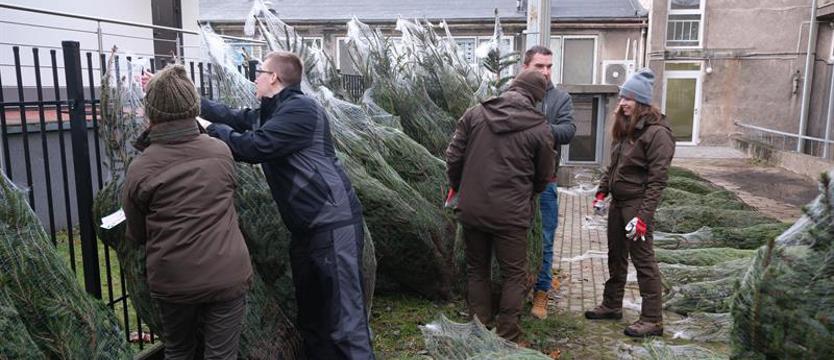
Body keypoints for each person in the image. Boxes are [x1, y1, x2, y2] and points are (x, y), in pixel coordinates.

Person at [198, 51, 373, 359]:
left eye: (259, 72)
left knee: (346, 324)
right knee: (314, 320)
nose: (255, 77)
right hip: (306, 231)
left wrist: (210, 129)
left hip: (332, 225)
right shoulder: (274, 111)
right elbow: (234, 116)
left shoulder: (301, 110)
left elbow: (253, 147)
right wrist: (192, 102)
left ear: (274, 77)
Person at [124, 64, 253, 360]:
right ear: (193, 106)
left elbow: (137, 233)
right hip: (227, 273)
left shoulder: (142, 167)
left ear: (151, 111)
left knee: (179, 350)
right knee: (221, 356)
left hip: (174, 279)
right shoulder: (220, 151)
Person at [446, 69, 555, 343]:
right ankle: (507, 333)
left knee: (477, 269)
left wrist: (460, 187)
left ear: (513, 87)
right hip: (511, 213)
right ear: (535, 97)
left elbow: (453, 156)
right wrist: (529, 194)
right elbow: (545, 175)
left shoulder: (474, 114)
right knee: (514, 275)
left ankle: (479, 325)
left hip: (473, 209)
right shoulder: (539, 127)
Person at [584, 68, 674, 337]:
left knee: (644, 261)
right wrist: (602, 192)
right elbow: (614, 166)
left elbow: (658, 181)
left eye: (629, 99)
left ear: (642, 102)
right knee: (616, 256)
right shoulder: (627, 130)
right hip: (619, 204)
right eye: (622, 97)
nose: (622, 103)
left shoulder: (657, 134)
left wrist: (643, 218)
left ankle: (652, 319)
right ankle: (612, 305)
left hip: (637, 206)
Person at [521, 45, 576, 320]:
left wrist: (536, 128)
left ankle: (541, 293)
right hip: (514, 183)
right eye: (539, 66)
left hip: (546, 183)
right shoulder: (512, 95)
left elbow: (568, 130)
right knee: (512, 238)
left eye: (549, 66)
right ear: (525, 67)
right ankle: (515, 290)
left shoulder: (559, 98)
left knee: (544, 240)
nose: (545, 71)